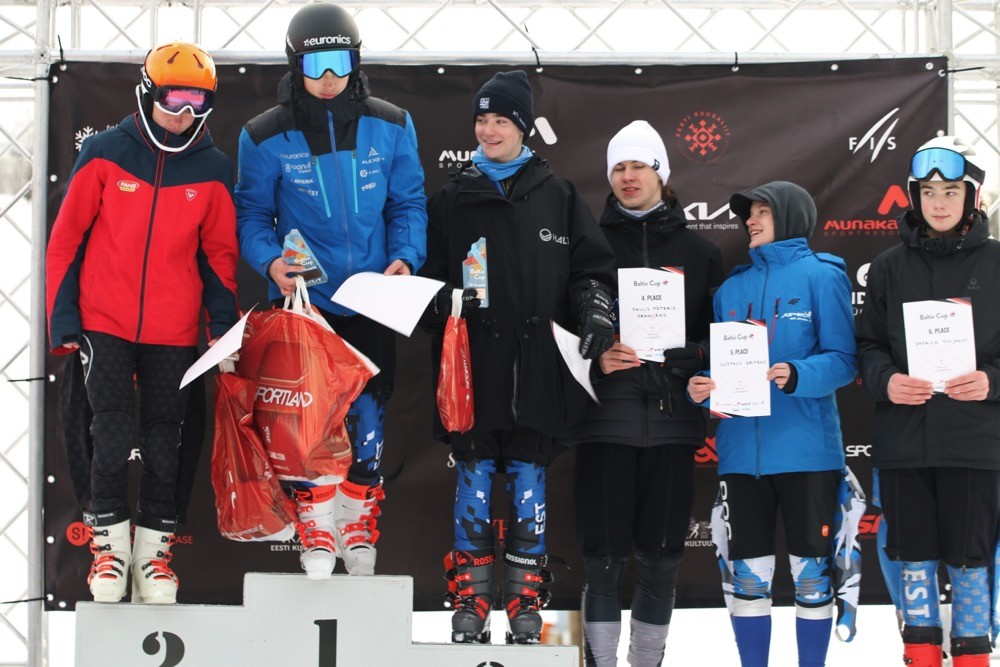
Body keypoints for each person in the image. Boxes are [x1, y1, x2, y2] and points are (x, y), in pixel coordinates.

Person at [420, 70, 617, 645]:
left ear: (523, 127)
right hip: (471, 372)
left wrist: (596, 310)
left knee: (530, 480)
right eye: (481, 120)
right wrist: (440, 301)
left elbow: (590, 272)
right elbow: (425, 279)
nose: (488, 130)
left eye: (501, 120)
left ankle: (525, 600)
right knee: (474, 479)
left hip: (540, 373)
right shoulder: (451, 199)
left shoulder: (559, 196)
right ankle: (472, 599)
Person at [235, 2, 426, 579]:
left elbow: (408, 204)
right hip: (306, 301)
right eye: (314, 65)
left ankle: (356, 519)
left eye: (339, 63)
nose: (327, 78)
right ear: (294, 64)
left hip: (371, 297)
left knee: (368, 414)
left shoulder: (392, 123)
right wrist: (270, 262)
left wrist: (405, 256)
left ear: (356, 61)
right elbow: (252, 215)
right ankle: (316, 523)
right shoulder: (263, 134)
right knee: (309, 419)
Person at [45, 41, 239, 604]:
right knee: (106, 433)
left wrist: (221, 328)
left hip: (173, 330)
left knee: (163, 441)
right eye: (175, 99)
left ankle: (154, 558)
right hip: (102, 320)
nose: (185, 113)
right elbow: (67, 240)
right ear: (148, 93)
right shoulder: (105, 151)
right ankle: (108, 552)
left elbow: (218, 257)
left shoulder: (212, 167)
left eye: (199, 102)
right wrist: (64, 318)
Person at [563, 120, 723, 666]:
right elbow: (558, 330)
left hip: (673, 426)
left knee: (662, 558)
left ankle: (647, 661)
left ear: (661, 173)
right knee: (602, 559)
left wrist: (695, 355)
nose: (627, 176)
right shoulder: (587, 245)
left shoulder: (701, 252)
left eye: (638, 165)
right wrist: (595, 355)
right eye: (618, 167)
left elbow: (720, 337)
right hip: (603, 423)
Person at [687, 181, 857, 667]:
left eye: (762, 211)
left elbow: (845, 360)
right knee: (747, 578)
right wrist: (700, 387)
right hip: (741, 454)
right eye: (749, 214)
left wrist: (799, 374)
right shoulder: (731, 288)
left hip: (807, 451)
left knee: (812, 577)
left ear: (790, 216)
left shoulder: (822, 275)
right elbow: (720, 366)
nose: (751, 221)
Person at [856, 135, 1000, 667]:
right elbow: (868, 346)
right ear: (914, 197)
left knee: (970, 562)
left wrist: (991, 381)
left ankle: (972, 654)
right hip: (905, 444)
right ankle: (919, 654)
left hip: (974, 443)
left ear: (972, 196)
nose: (939, 202)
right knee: (913, 562)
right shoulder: (888, 266)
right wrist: (887, 381)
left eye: (952, 191)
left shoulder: (999, 263)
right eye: (929, 191)